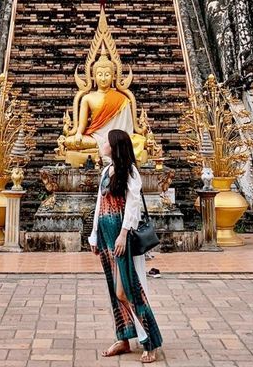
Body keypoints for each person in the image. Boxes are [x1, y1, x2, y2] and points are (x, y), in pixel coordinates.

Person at [89, 129, 163, 363]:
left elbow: (132, 208)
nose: (103, 144)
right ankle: (123, 338)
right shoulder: (105, 171)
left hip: (121, 237)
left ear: (116, 146)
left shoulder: (130, 172)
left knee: (128, 290)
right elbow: (99, 206)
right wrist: (94, 237)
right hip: (105, 235)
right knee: (114, 290)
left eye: (107, 141)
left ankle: (151, 341)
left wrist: (123, 234)